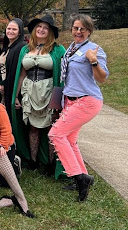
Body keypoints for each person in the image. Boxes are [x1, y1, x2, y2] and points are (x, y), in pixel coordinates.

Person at [49, 14, 108, 202]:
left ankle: (78, 177)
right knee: (70, 139)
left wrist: (93, 61)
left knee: (56, 135)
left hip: (87, 100)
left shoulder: (94, 50)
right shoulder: (71, 49)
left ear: (89, 31)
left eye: (83, 29)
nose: (78, 32)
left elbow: (102, 78)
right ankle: (83, 176)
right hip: (70, 100)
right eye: (76, 28)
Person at [11, 15, 65, 173]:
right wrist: (16, 95)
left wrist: (57, 101)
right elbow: (21, 74)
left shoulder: (57, 49)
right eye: (39, 27)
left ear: (50, 32)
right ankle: (33, 161)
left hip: (48, 91)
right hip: (30, 91)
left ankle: (49, 163)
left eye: (45, 28)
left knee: (51, 127)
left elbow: (61, 76)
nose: (41, 30)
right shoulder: (25, 49)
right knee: (33, 128)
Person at [0, 18, 25, 122]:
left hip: (13, 87)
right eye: (8, 28)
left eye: (14, 29)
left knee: (12, 118)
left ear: (19, 32)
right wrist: (1, 83)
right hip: (4, 87)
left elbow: (19, 72)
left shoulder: (21, 47)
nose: (10, 31)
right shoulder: (7, 46)